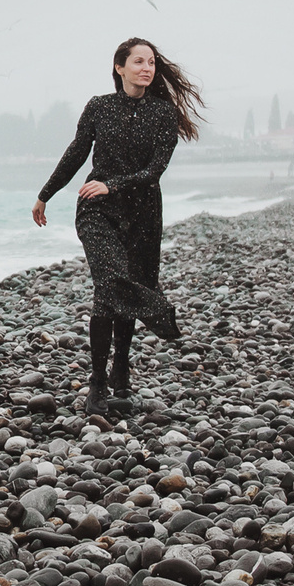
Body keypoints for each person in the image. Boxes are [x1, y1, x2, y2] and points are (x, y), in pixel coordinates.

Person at [31, 37, 205, 418]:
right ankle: (97, 381)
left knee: (124, 287)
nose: (147, 68)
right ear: (119, 67)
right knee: (109, 284)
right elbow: (76, 152)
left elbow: (155, 170)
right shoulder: (99, 107)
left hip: (143, 213)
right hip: (97, 210)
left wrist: (114, 182)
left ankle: (121, 368)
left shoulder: (163, 114)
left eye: (152, 63)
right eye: (139, 62)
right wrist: (46, 194)